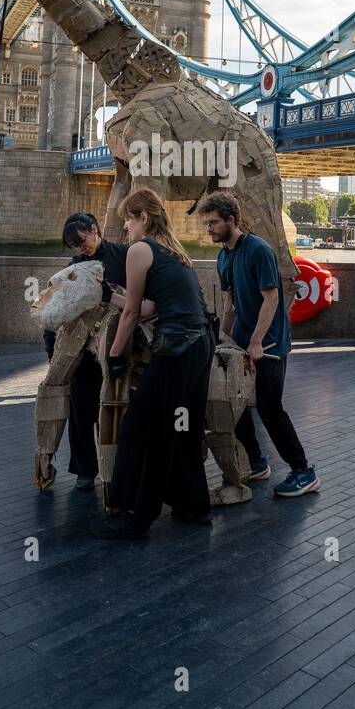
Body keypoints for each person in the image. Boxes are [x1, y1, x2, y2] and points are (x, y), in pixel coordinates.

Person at [95, 188, 215, 540]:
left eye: (128, 221)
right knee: (184, 429)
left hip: (177, 348)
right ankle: (194, 506)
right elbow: (149, 307)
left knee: (142, 428)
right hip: (200, 344)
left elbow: (133, 314)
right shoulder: (174, 251)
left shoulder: (140, 250)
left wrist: (115, 355)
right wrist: (109, 295)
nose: (126, 230)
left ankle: (133, 518)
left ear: (142, 218)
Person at [199, 190, 319, 497]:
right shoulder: (223, 255)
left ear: (231, 219)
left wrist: (255, 341)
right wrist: (221, 339)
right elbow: (230, 301)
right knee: (233, 406)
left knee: (270, 408)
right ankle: (256, 462)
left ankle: (303, 471)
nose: (208, 229)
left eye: (213, 223)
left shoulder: (258, 249)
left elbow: (272, 297)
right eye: (206, 224)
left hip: (270, 345)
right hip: (240, 343)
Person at [43, 213, 128, 489]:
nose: (80, 248)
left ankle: (114, 466)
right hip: (83, 349)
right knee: (81, 410)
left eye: (81, 241)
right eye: (75, 246)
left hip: (116, 344)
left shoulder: (123, 255)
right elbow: (57, 310)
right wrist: (53, 354)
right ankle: (85, 469)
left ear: (94, 229)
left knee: (114, 409)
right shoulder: (75, 265)